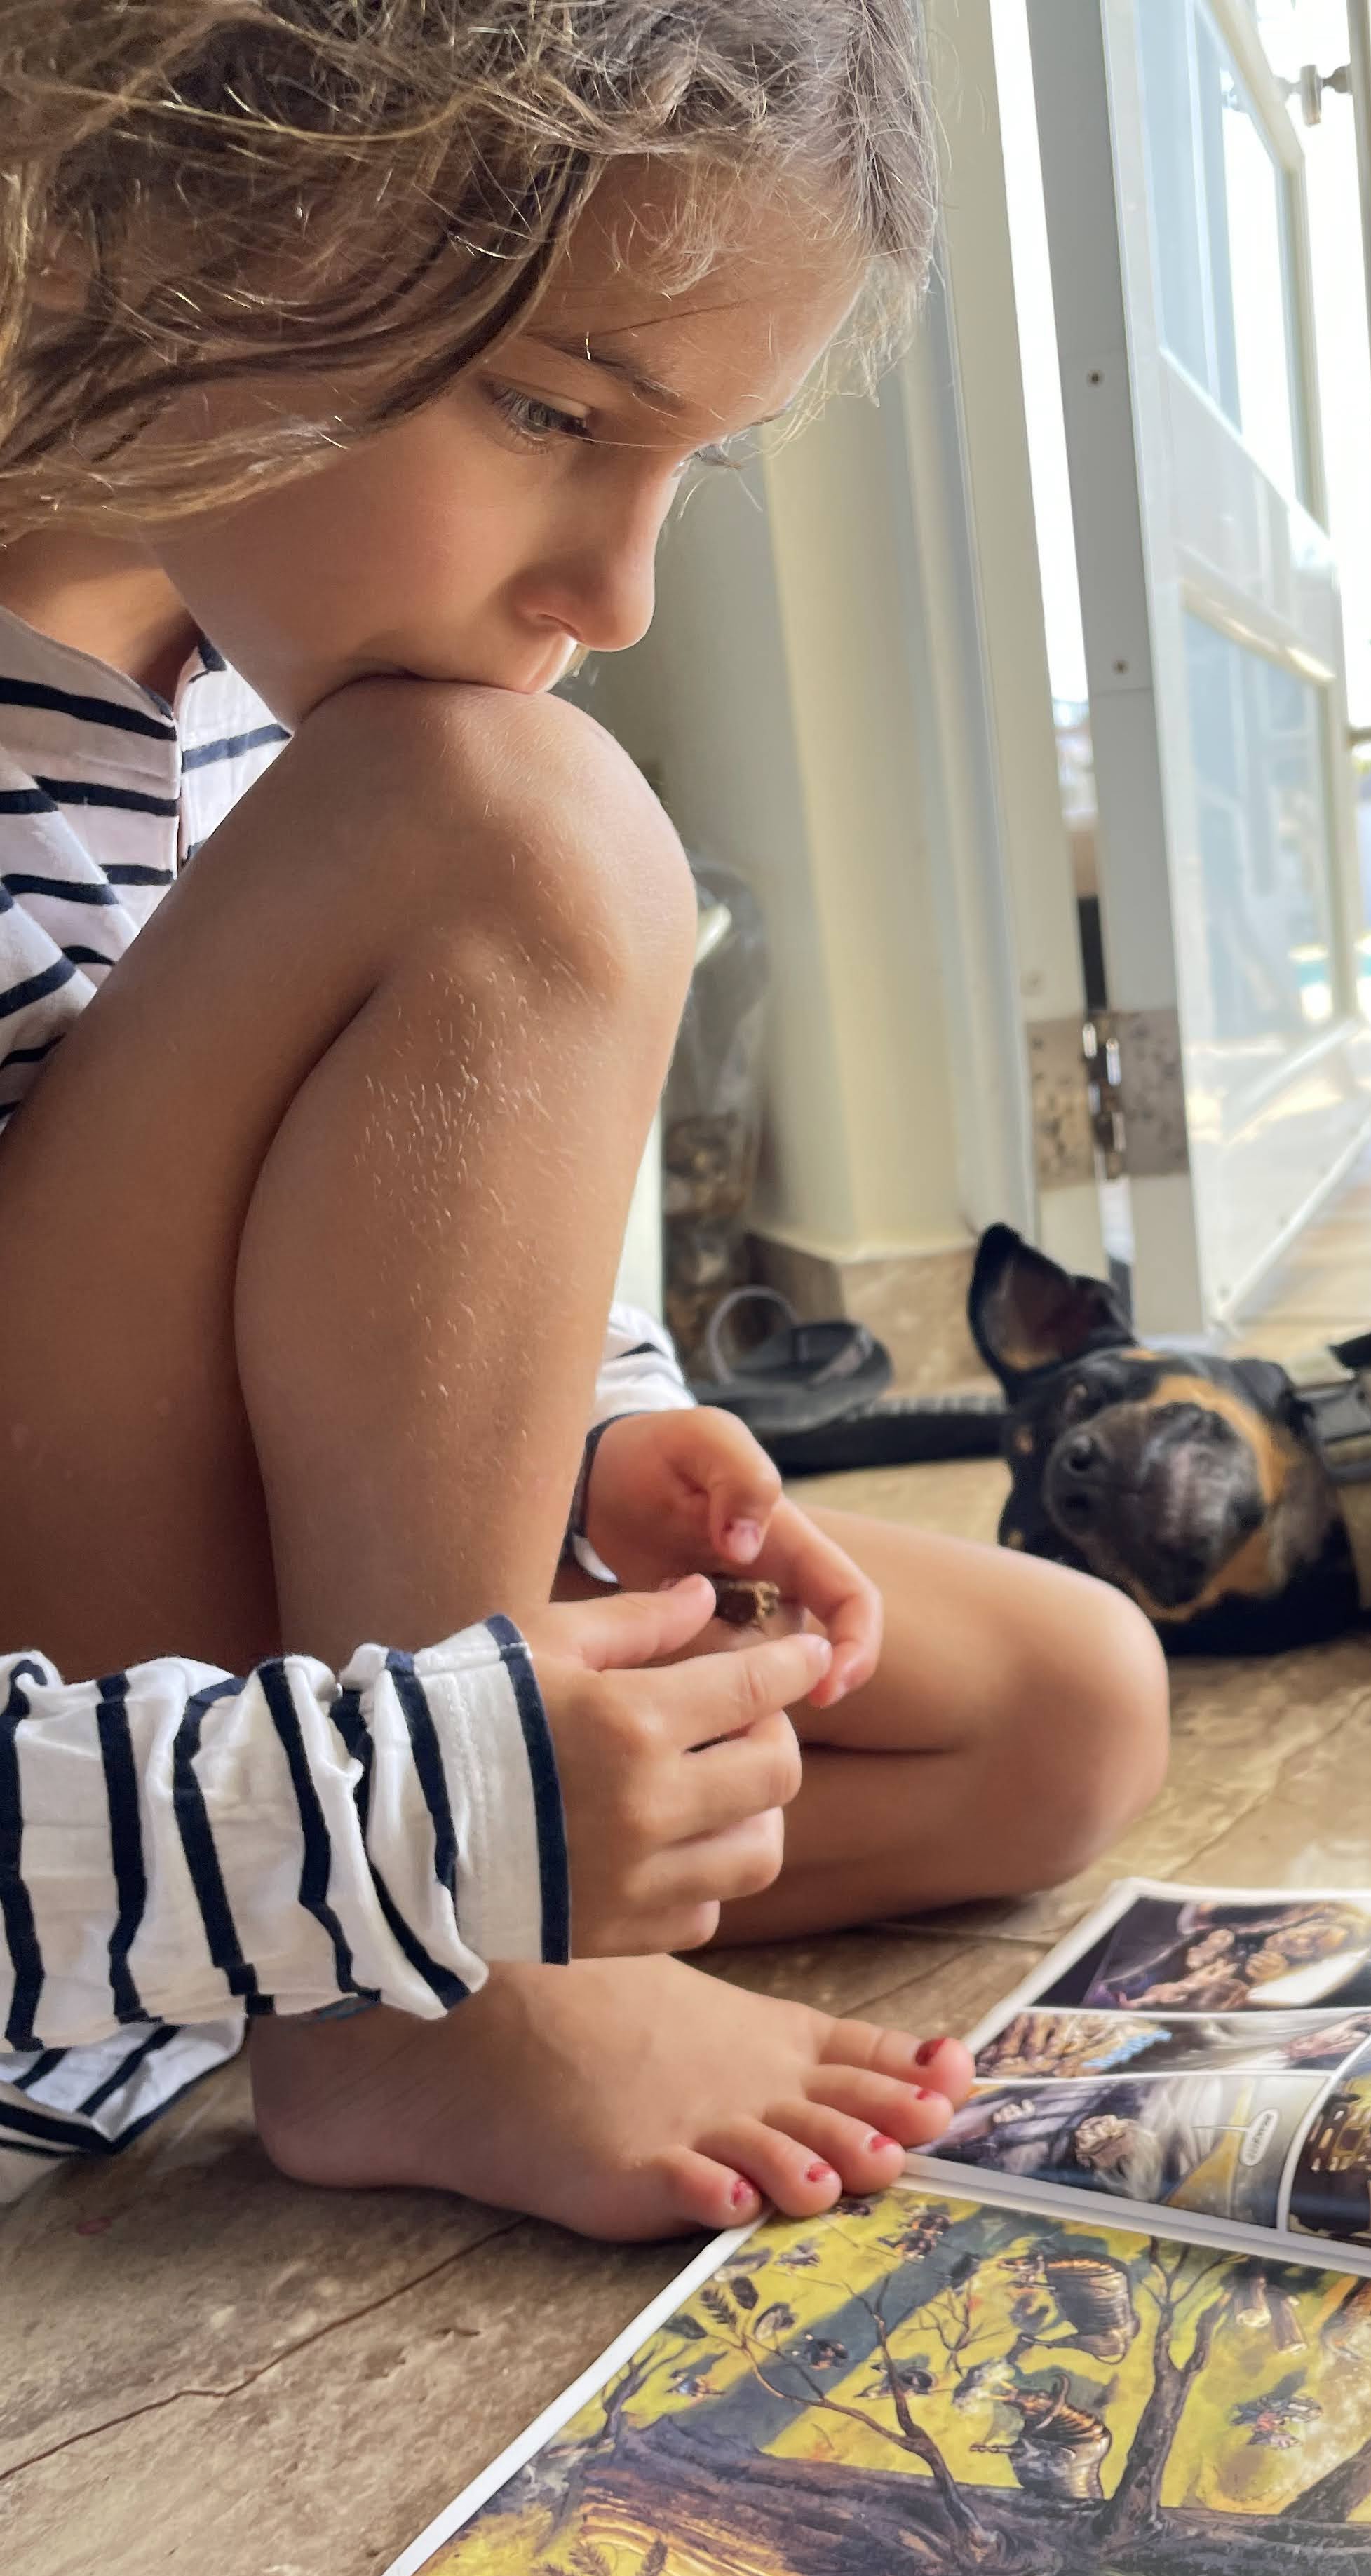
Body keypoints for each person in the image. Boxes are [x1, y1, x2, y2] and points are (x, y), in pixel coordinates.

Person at [0, 1, 1168, 2237]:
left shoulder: (263, 675)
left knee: (1064, 1704)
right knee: (513, 822)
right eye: (547, 411)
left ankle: (404, 1929)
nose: (614, 599)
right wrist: (421, 1837)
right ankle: (442, 1998)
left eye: (680, 469)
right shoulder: (414, 760)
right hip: (111, 1830)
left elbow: (336, 1202)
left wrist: (600, 1427)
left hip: (291, 1759)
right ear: (142, 200)